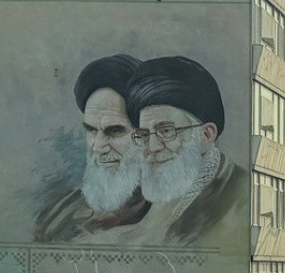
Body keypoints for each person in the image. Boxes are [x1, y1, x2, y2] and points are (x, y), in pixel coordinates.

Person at [125, 56, 246, 245]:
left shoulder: (241, 197)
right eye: (145, 135)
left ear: (206, 135)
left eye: (166, 131)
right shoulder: (140, 200)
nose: (152, 147)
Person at [34, 54, 151, 242]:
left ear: (146, 136)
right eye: (91, 130)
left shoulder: (171, 217)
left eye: (114, 131)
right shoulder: (60, 213)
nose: (98, 146)